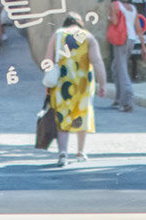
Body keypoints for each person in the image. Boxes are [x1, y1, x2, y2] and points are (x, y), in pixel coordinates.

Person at [44, 13, 107, 167]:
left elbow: (48, 60)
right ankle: (80, 152)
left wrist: (47, 83)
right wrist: (102, 83)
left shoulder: (57, 35)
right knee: (82, 115)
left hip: (61, 83)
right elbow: (97, 62)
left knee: (62, 116)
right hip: (83, 83)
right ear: (80, 24)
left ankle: (63, 153)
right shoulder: (88, 36)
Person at [105, 0, 138, 112]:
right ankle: (118, 99)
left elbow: (114, 21)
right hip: (132, 39)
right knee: (116, 67)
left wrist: (108, 17)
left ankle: (127, 101)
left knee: (122, 69)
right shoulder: (133, 8)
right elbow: (138, 26)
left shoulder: (115, 5)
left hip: (121, 39)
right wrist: (144, 47)